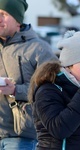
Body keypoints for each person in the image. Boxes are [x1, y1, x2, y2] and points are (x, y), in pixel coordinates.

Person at [0, 0, 58, 149]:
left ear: (18, 19)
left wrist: (15, 90)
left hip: (21, 138)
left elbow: (54, 91)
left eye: (4, 14)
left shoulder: (39, 49)